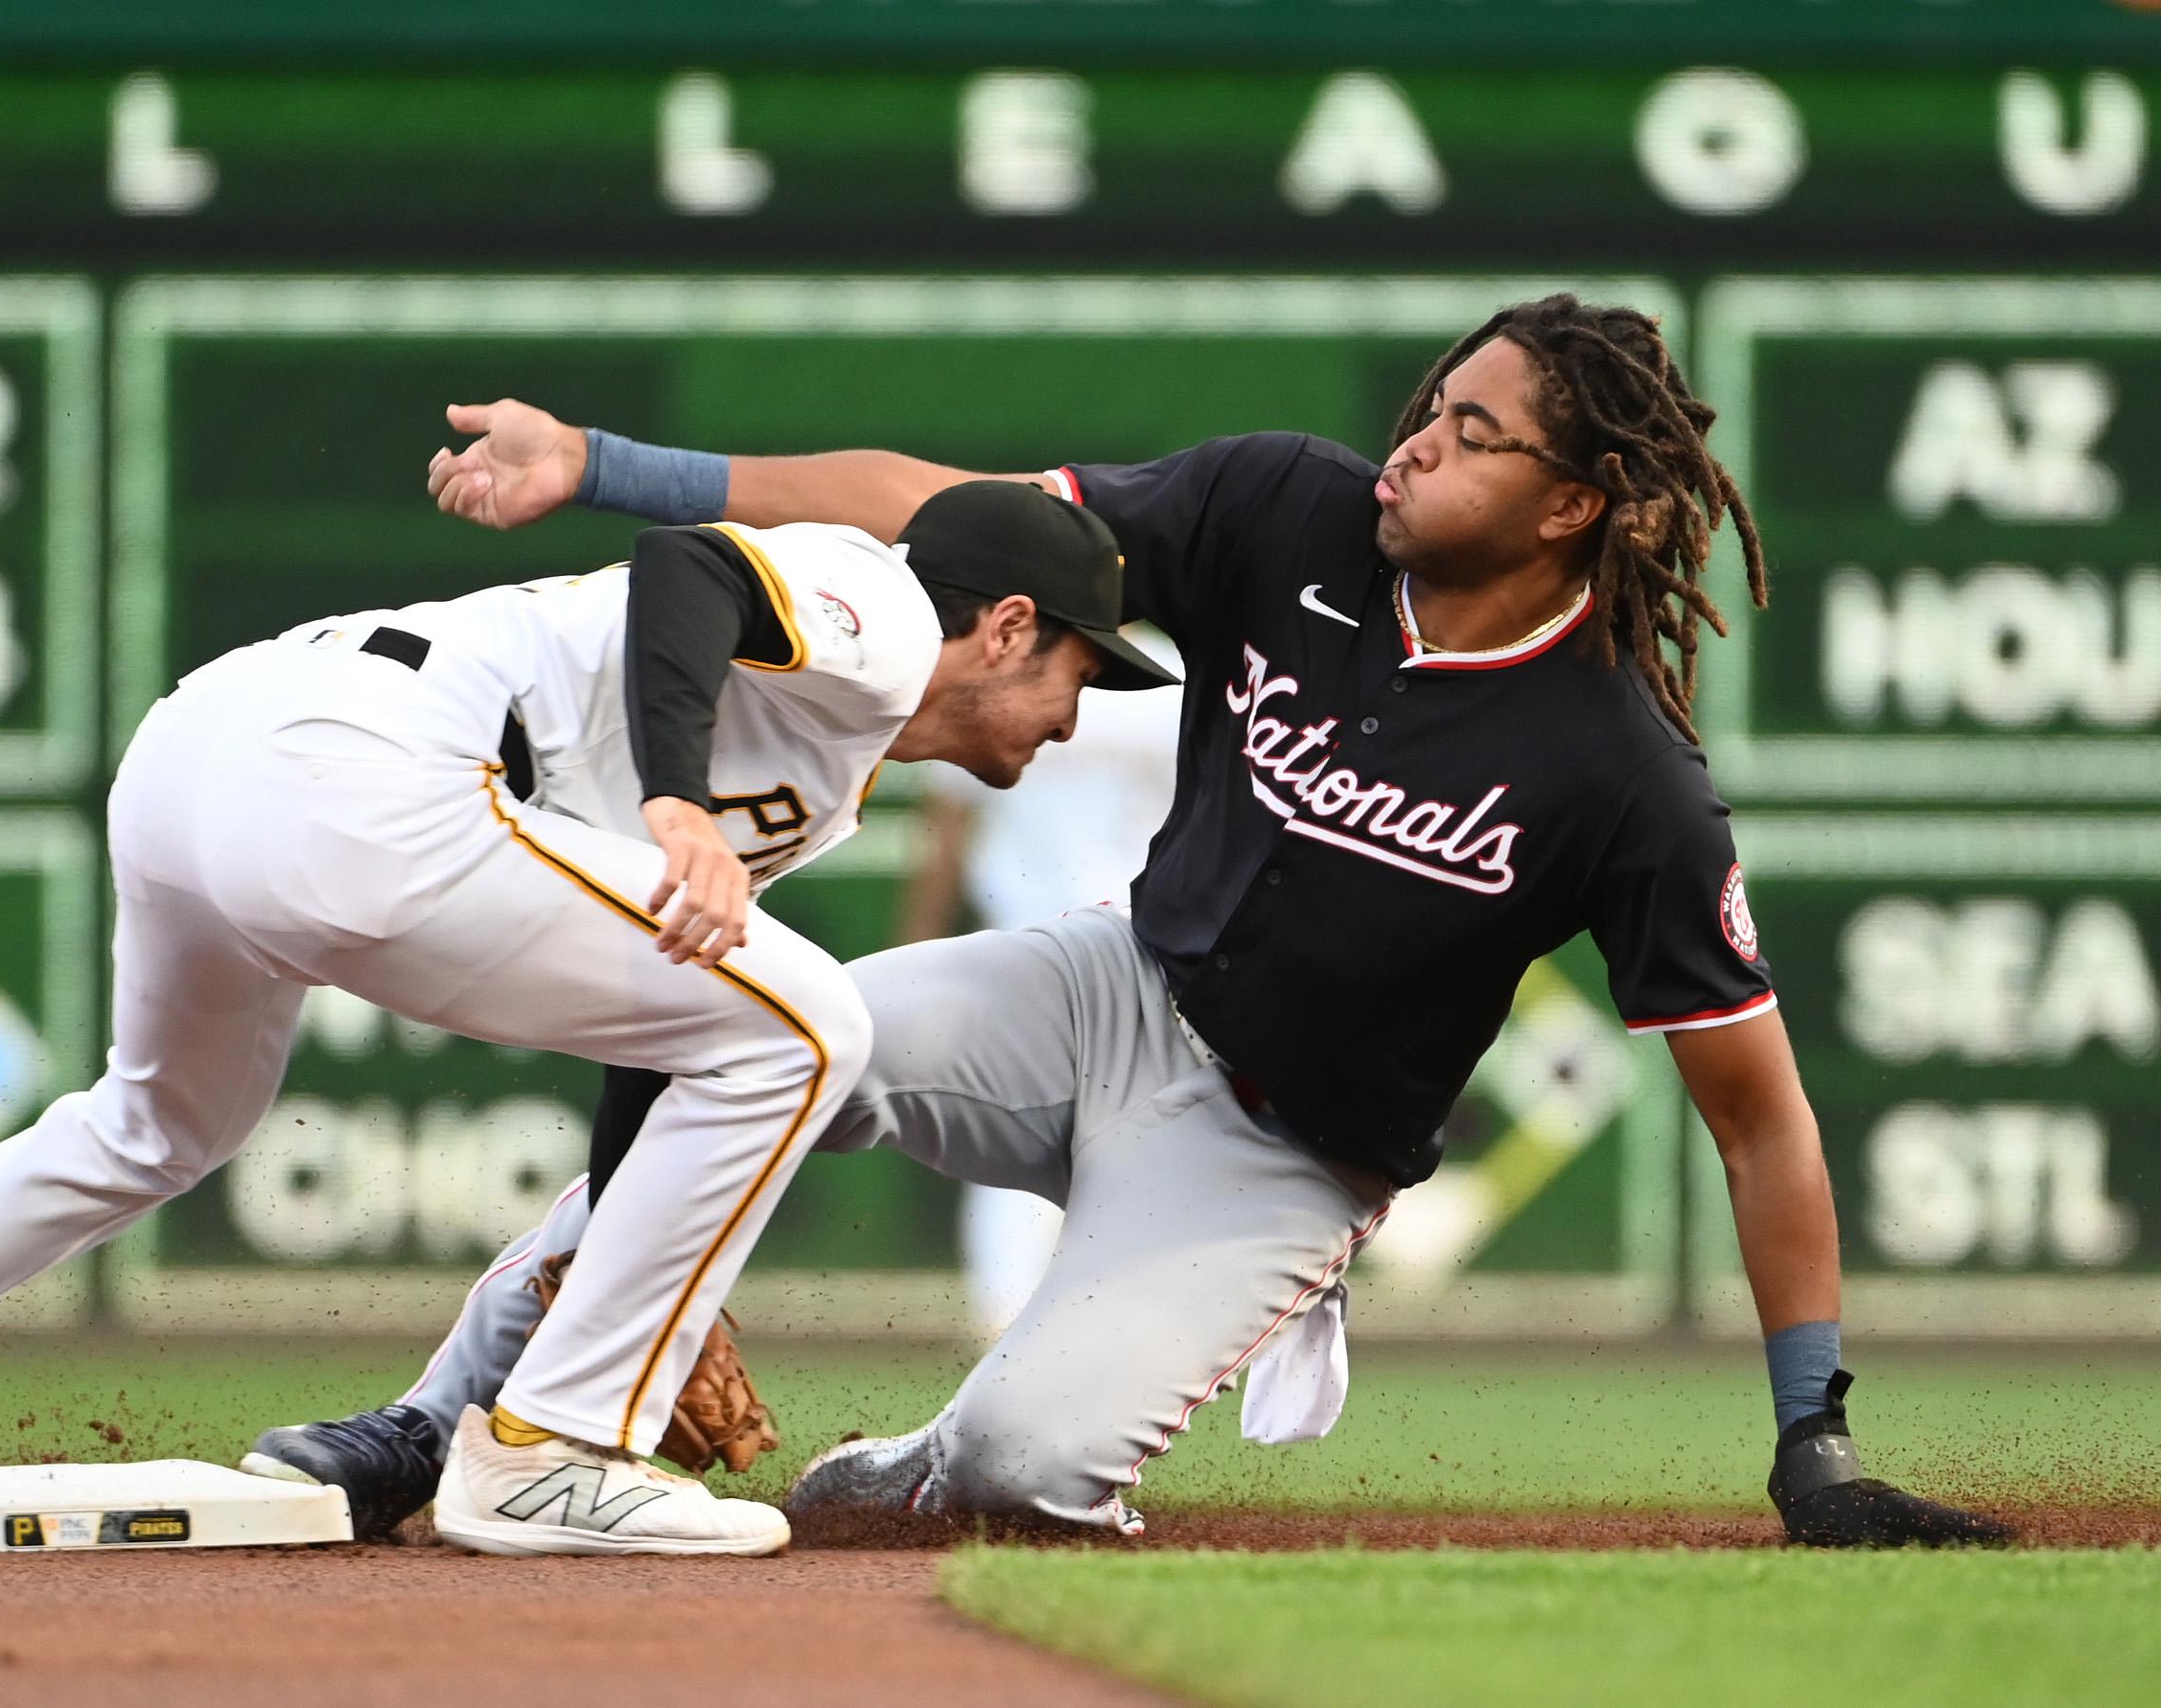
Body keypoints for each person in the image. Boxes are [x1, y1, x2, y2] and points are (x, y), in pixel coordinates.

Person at [249, 294, 2008, 1548]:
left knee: (1029, 1472)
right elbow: (944, 509)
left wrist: (1815, 1436)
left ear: (1573, 505)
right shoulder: (1286, 507)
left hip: (1279, 1156)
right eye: (1432, 401)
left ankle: (925, 1463)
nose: (1422, 442)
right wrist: (611, 463)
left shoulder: (1624, 774)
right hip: (1105, 986)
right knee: (772, 1037)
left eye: (1480, 434)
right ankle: (429, 1425)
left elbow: (1757, 1116)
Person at [0, 479, 1173, 1558]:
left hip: (204, 757)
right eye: (1080, 674)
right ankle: (551, 1455)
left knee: (154, 1122)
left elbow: (666, 1040)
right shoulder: (884, 606)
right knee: (815, 1019)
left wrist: (625, 1299)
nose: (1074, 716)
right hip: (364, 769)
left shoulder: (821, 781)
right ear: (1006, 623)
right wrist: (681, 804)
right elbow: (687, 569)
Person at [894, 626, 1183, 1342]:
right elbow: (947, 831)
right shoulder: (989, 672)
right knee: (1075, 1132)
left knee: (1034, 1134)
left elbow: (946, 837)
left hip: (1116, 941)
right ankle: (1027, 1318)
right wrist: (918, 947)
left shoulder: (1166, 673)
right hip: (1066, 942)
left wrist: (917, 943)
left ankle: (1036, 1319)